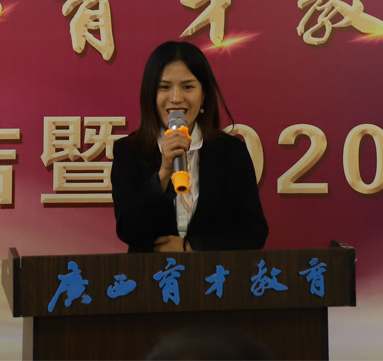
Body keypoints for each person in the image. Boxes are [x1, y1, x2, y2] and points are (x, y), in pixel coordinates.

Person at [111, 41, 268, 253]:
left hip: (214, 272)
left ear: (203, 95)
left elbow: (253, 233)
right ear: (150, 94)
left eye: (188, 87)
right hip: (150, 272)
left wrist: (193, 247)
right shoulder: (129, 152)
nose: (176, 98)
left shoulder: (231, 152)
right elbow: (129, 230)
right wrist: (163, 174)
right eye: (164, 87)